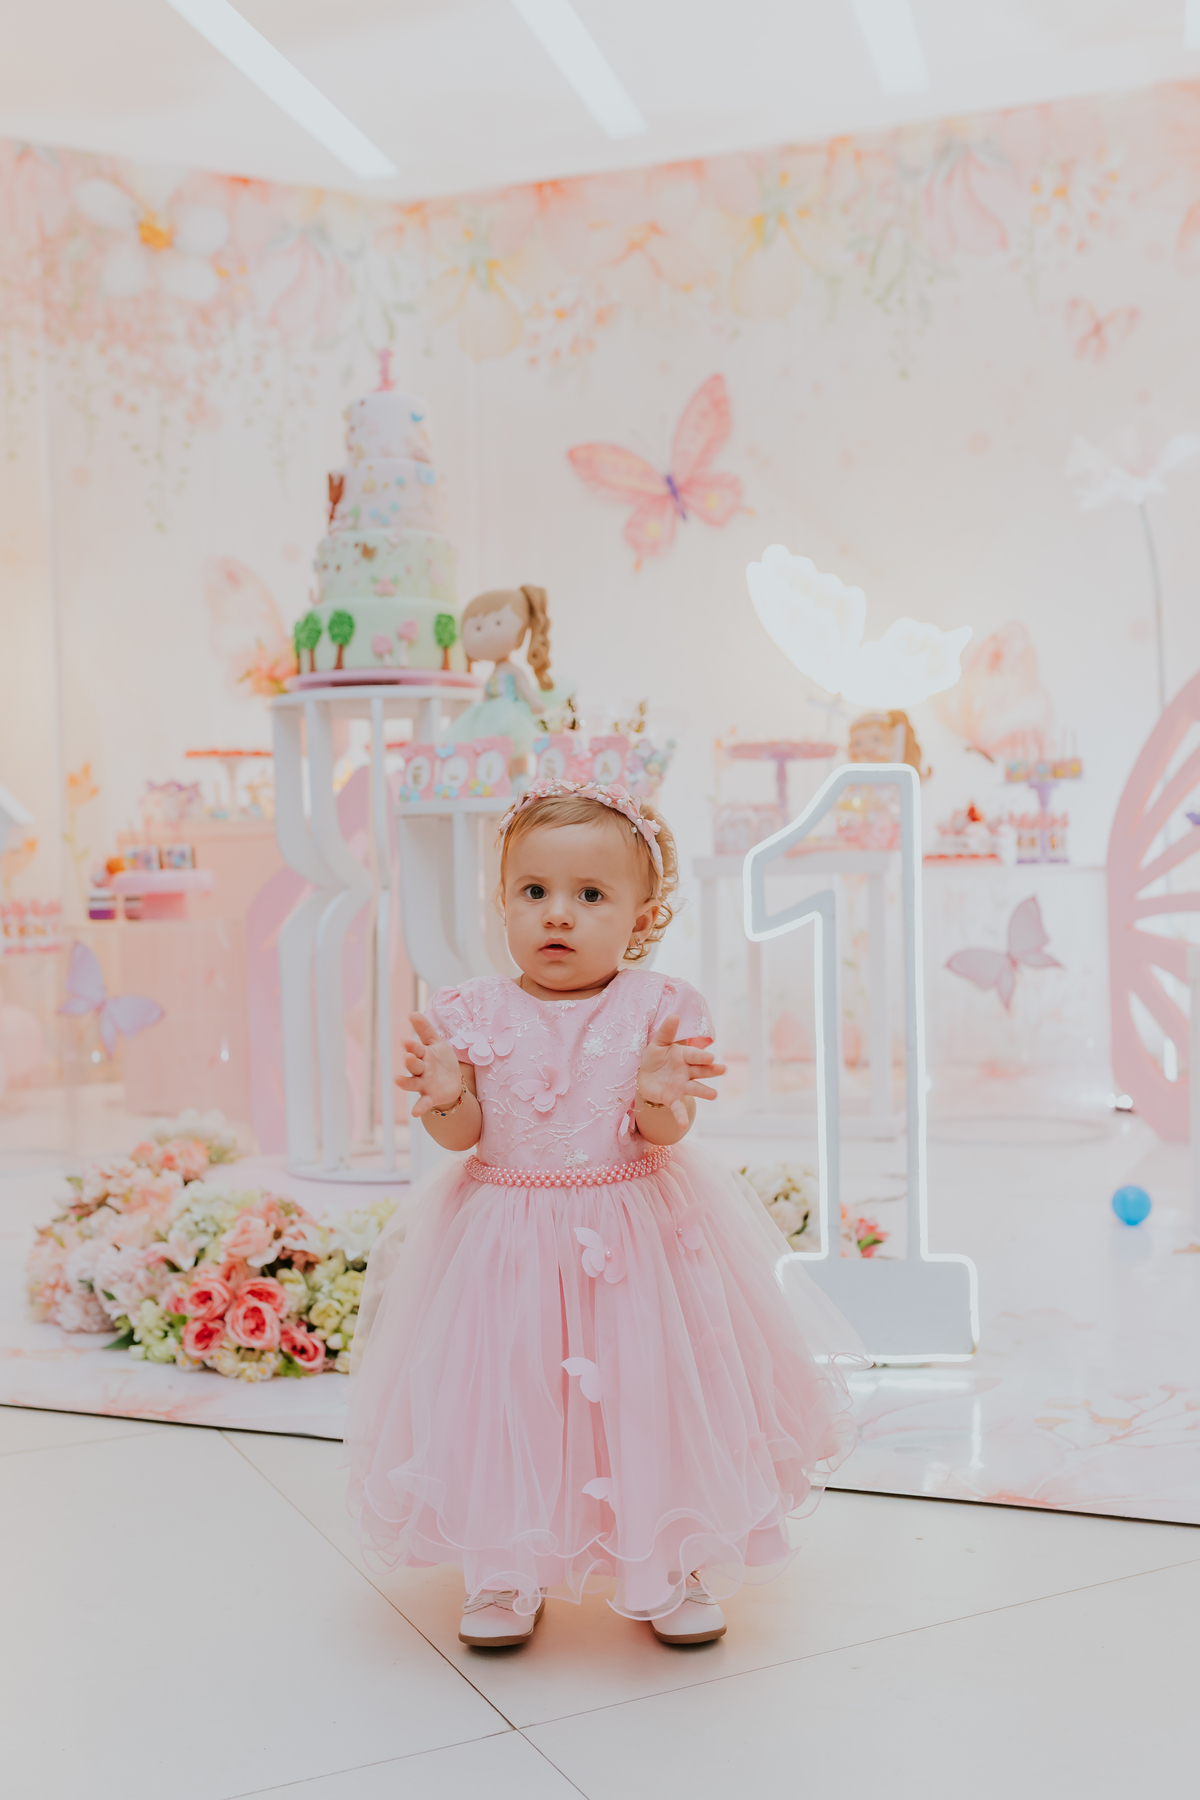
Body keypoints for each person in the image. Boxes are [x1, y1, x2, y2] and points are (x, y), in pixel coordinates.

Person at [345, 781, 865, 1650]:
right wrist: (444, 1099)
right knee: (506, 1389)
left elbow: (662, 1128)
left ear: (641, 916)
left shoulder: (655, 1011)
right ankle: (504, 1562)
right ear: (503, 900)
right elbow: (466, 1134)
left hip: (635, 1238)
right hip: (505, 1237)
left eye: (591, 896)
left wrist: (661, 1095)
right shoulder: (470, 1012)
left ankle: (667, 1555)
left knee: (650, 1387)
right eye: (534, 892)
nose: (559, 915)